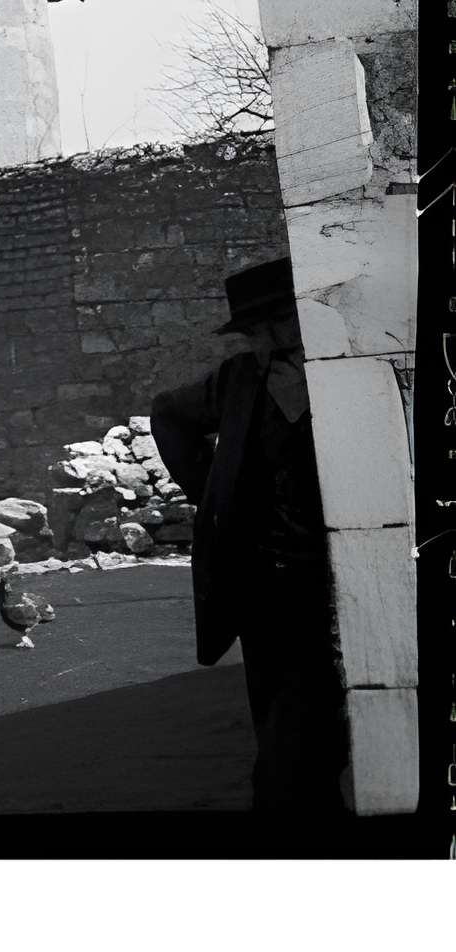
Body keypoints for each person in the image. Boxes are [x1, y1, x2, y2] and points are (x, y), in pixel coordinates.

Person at [148, 257, 346, 814]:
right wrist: (211, 489)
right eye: (251, 330)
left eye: (270, 324)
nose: (259, 340)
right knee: (282, 723)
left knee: (337, 720)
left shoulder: (356, 372)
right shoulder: (238, 380)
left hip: (342, 581)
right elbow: (168, 412)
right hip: (265, 583)